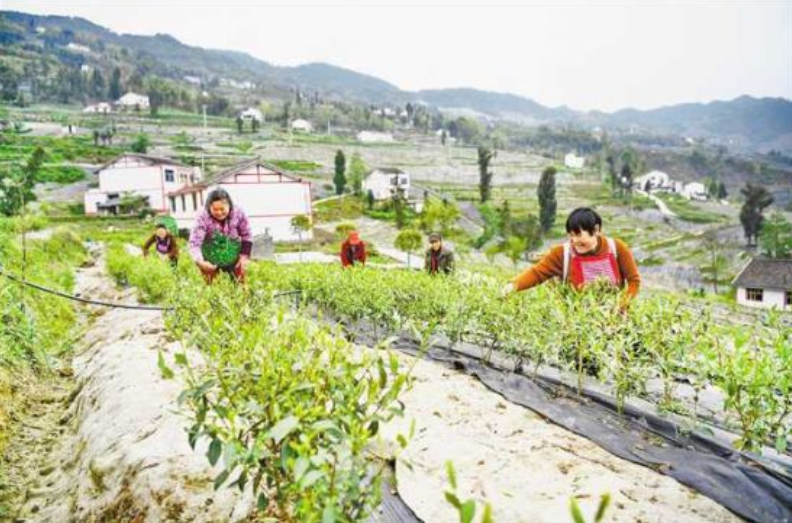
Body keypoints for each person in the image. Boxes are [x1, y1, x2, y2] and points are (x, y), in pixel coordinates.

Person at [502, 207, 640, 308]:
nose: (574, 241)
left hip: (613, 320)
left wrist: (621, 305)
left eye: (579, 235)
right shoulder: (562, 253)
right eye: (571, 235)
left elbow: (634, 281)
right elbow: (537, 273)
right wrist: (513, 286)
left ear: (596, 230)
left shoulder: (617, 248)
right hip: (577, 321)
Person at [189, 188, 252, 284]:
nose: (219, 212)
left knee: (240, 285)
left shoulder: (238, 213)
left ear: (229, 205)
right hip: (210, 255)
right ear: (209, 207)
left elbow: (247, 235)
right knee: (211, 287)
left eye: (222, 209)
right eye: (215, 209)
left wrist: (244, 257)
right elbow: (195, 243)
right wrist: (200, 261)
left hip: (233, 253)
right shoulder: (202, 216)